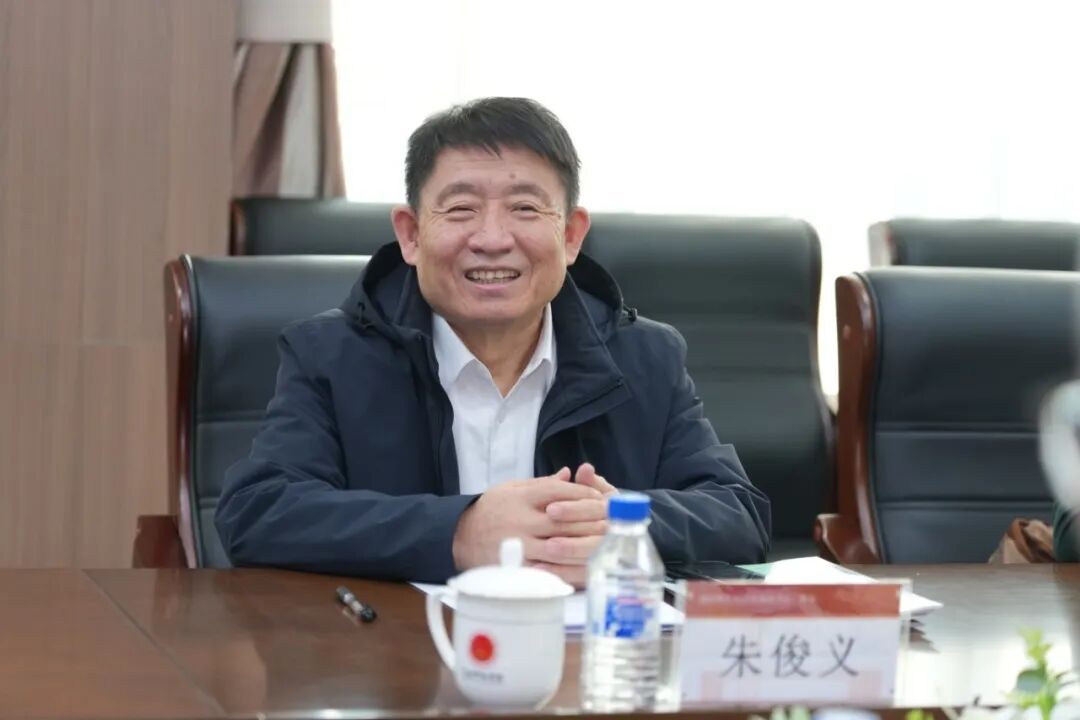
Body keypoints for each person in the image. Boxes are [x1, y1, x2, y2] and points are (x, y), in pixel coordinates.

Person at [215, 97, 771, 585]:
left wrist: (619, 524)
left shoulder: (644, 358)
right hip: (399, 653)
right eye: (461, 210)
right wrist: (459, 531)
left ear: (571, 235)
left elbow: (738, 514)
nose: (492, 239)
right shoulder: (330, 354)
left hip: (579, 659)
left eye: (525, 208)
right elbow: (259, 512)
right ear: (410, 235)